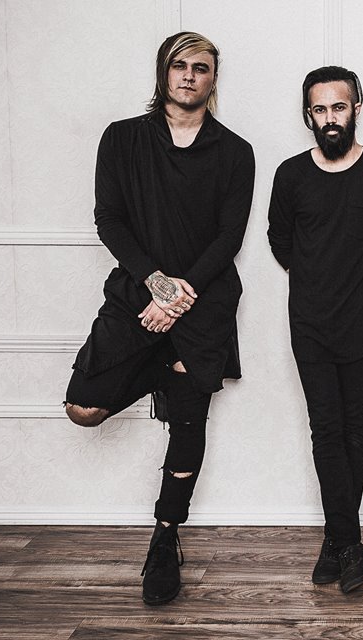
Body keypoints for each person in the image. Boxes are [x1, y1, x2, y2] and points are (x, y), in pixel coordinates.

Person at [63, 32, 255, 606]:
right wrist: (157, 285)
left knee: (189, 422)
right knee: (83, 407)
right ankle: (162, 370)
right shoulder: (122, 138)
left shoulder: (235, 151)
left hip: (205, 302)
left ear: (213, 79)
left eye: (201, 67)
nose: (190, 75)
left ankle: (165, 537)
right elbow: (109, 219)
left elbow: (230, 235)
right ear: (162, 72)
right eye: (179, 65)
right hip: (137, 295)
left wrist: (180, 296)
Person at [267, 66, 363, 593]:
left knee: (355, 424)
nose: (330, 118)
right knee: (325, 427)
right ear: (308, 114)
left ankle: (337, 540)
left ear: (356, 109)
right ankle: (348, 542)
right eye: (320, 109)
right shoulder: (290, 174)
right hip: (308, 322)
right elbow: (279, 239)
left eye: (339, 107)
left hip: (359, 320)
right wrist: (316, 280)